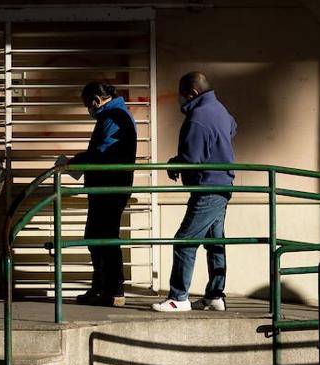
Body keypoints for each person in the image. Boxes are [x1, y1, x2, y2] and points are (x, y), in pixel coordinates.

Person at [153, 72, 238, 313]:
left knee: (184, 242)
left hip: (207, 187)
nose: (180, 100)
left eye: (182, 95)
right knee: (215, 242)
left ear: (192, 93)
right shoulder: (220, 109)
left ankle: (178, 297)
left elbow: (192, 159)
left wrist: (175, 163)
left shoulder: (198, 118)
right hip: (224, 184)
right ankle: (214, 295)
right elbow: (233, 127)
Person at [62, 82, 138, 307]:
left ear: (96, 99)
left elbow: (102, 154)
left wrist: (77, 161)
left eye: (88, 104)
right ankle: (106, 288)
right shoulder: (118, 114)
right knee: (101, 236)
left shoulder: (113, 117)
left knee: (101, 237)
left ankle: (110, 289)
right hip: (111, 186)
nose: (89, 110)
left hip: (108, 187)